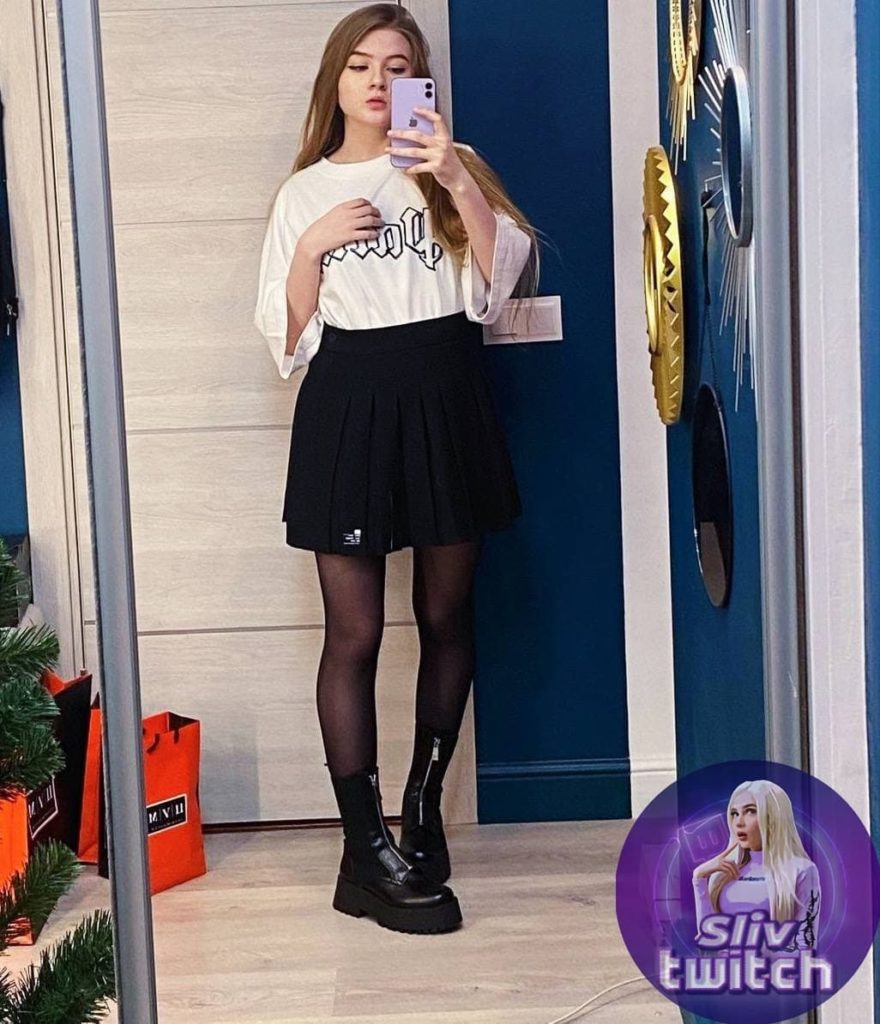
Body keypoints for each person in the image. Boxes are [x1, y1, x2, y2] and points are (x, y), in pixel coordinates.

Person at [253, 3, 539, 934]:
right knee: (356, 632)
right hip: (350, 402)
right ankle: (364, 849)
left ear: (419, 81)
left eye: (398, 65)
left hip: (447, 393)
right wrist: (310, 247)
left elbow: (502, 285)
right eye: (361, 65)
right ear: (334, 81)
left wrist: (452, 175)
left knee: (448, 613)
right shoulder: (304, 193)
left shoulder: (450, 166)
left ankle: (423, 805)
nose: (378, 81)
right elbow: (284, 339)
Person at [691, 780, 821, 955]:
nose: (739, 822)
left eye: (751, 811)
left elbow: (805, 944)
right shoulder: (723, 873)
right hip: (726, 971)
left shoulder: (801, 870)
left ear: (773, 816)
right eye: (735, 813)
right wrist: (699, 877)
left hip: (774, 971)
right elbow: (708, 942)